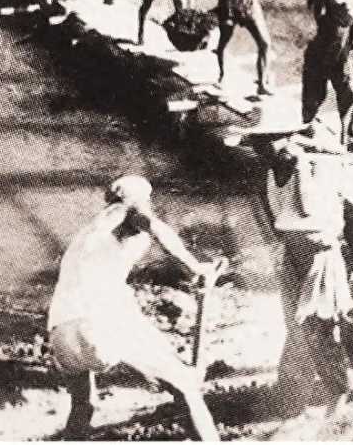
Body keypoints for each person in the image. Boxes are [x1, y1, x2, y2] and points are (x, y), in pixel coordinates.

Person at [47, 174, 223, 441]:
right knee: (187, 386)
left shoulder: (91, 231)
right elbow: (156, 227)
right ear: (140, 201)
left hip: (61, 332)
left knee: (83, 405)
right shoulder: (128, 213)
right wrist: (195, 268)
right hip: (99, 322)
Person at [265, 139, 353, 419]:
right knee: (297, 325)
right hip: (296, 253)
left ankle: (339, 391)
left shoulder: (315, 166)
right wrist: (298, 165)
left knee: (323, 323)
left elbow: (308, 209)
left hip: (318, 254)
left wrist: (303, 164)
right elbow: (284, 213)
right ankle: (295, 392)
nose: (274, 149)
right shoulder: (276, 171)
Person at [302, 0, 353, 145]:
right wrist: (330, 2)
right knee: (314, 95)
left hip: (341, 54)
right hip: (321, 52)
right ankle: (306, 128)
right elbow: (319, 17)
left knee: (348, 95)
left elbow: (350, 23)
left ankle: (347, 138)